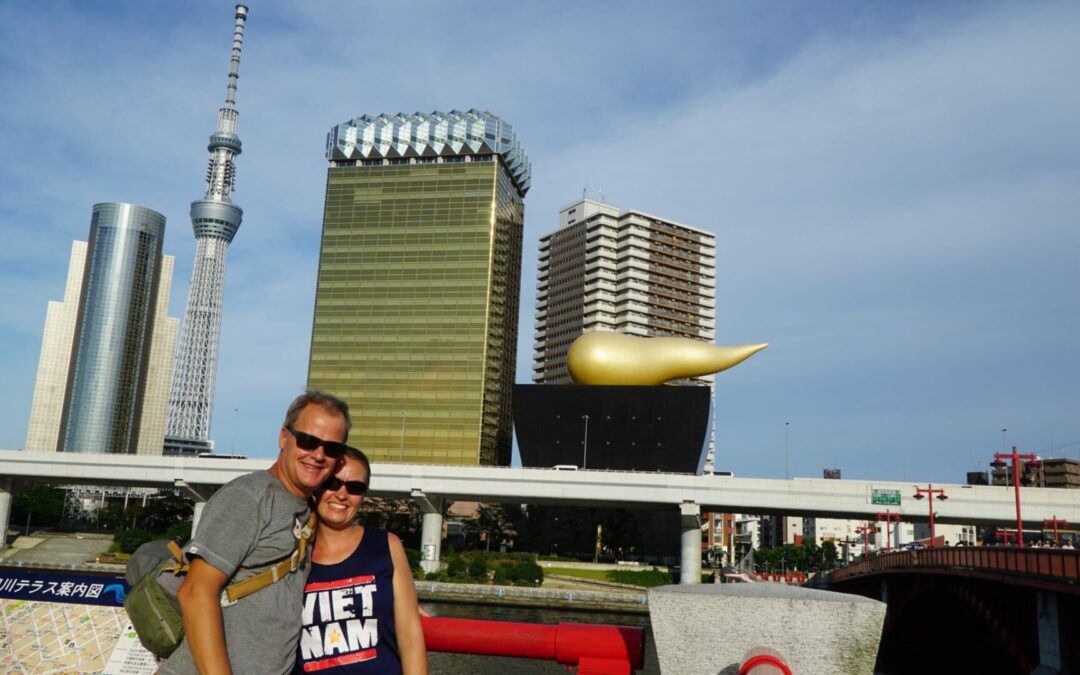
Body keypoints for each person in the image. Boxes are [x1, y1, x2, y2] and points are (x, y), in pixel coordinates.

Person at [160, 390, 352, 675]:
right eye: (308, 441)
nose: (319, 455)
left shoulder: (308, 510)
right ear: (284, 437)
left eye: (332, 448)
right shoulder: (249, 496)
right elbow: (196, 591)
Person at [296, 446, 428, 674]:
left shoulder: (386, 546)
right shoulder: (292, 552)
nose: (342, 494)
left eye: (355, 487)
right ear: (317, 486)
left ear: (363, 496)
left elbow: (410, 636)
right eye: (333, 483)